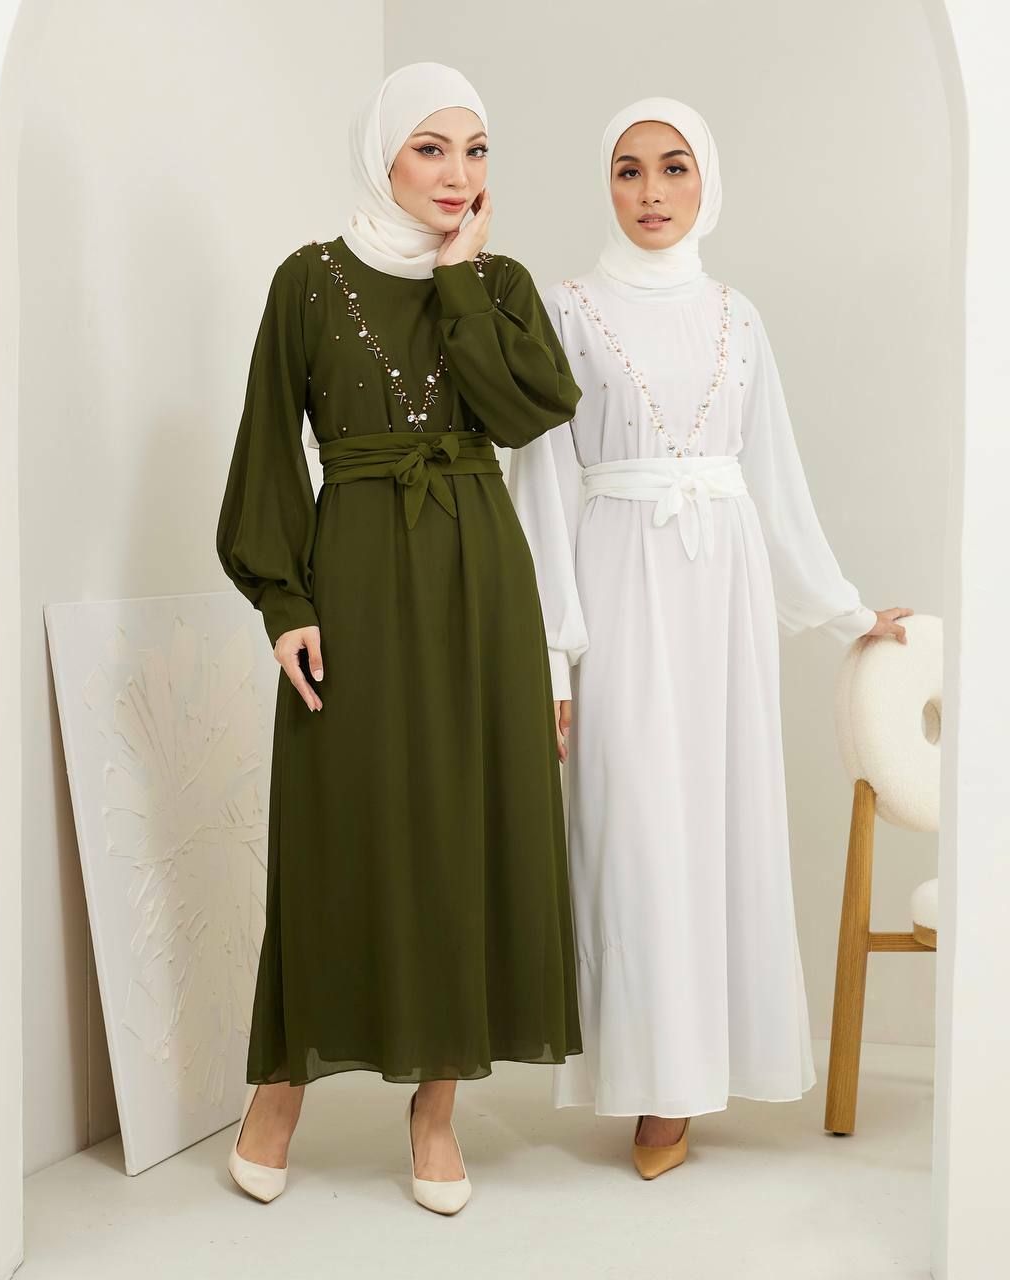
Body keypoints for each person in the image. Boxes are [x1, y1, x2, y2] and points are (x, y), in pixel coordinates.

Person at [506, 97, 912, 1180]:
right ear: (606, 184)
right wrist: (553, 651)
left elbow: (774, 473)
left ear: (705, 181)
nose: (650, 191)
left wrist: (842, 607)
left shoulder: (738, 316)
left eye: (673, 167)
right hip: (615, 575)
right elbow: (539, 482)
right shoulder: (566, 309)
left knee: (716, 819)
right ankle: (651, 1079)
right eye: (629, 169)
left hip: (720, 590)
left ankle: (699, 1072)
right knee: (631, 823)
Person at [215, 62, 583, 1215]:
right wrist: (285, 601)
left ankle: (436, 1108)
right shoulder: (309, 280)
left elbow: (528, 409)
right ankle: (279, 1089)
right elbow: (267, 443)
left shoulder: (502, 282)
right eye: (431, 147)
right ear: (384, 153)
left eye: (476, 150)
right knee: (340, 820)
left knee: (461, 827)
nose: (457, 173)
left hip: (481, 578)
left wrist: (461, 276)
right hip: (360, 572)